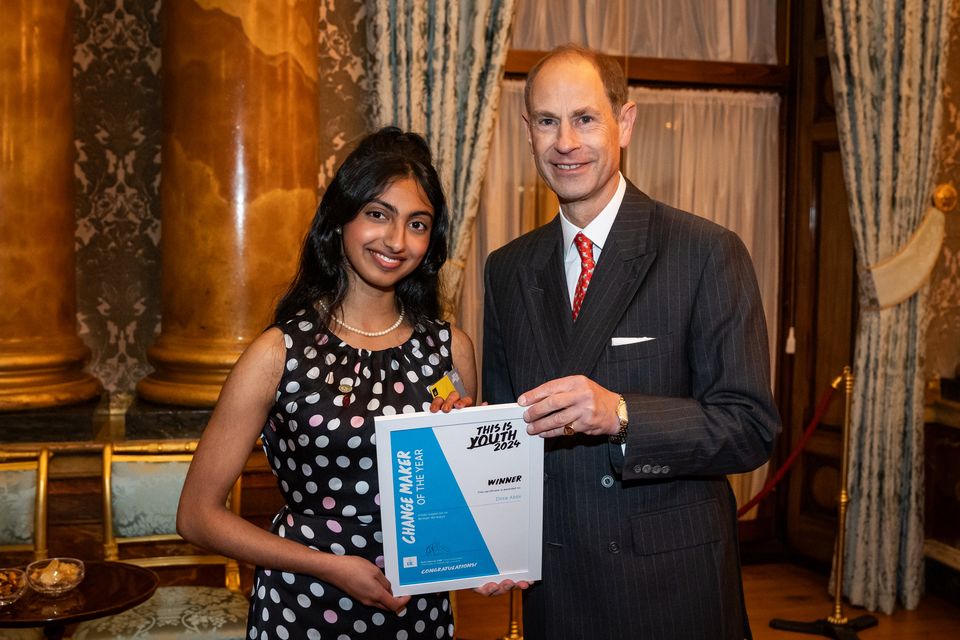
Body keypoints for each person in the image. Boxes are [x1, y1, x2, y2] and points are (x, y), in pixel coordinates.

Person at [480, 45, 781, 639]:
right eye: (547, 121)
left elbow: (749, 427)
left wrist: (620, 414)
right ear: (527, 131)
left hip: (671, 587)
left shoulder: (705, 252)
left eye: (585, 118)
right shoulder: (507, 268)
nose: (565, 141)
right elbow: (505, 432)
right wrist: (489, 537)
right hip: (556, 583)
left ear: (626, 122)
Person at [177, 126, 477, 639]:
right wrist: (330, 566)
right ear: (341, 220)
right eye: (378, 214)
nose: (396, 240)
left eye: (418, 224)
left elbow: (464, 501)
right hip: (305, 607)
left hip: (419, 611)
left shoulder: (450, 350)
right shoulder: (278, 353)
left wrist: (466, 460)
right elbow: (196, 516)